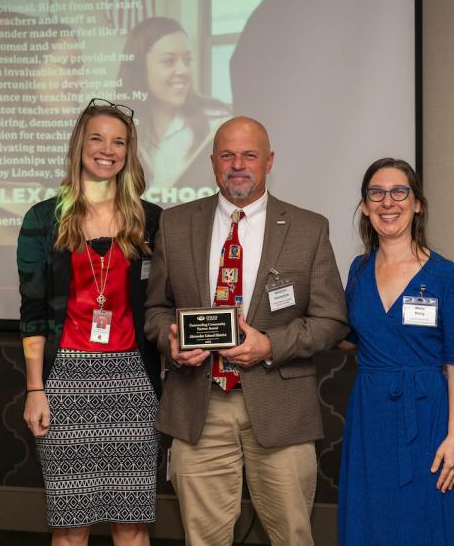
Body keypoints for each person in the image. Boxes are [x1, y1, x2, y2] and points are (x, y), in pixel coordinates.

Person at [144, 116, 349, 545]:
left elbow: (332, 320)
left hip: (279, 404)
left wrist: (270, 344)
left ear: (269, 161)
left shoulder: (308, 228)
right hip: (198, 403)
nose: (238, 164)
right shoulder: (176, 223)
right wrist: (171, 341)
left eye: (249, 155)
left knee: (292, 536)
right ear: (213, 162)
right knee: (203, 539)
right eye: (227, 155)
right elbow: (157, 310)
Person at [18, 98, 163, 546]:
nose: (108, 149)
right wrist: (35, 389)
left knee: (131, 524)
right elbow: (33, 315)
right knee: (70, 525)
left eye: (119, 141)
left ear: (129, 152)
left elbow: (166, 303)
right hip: (64, 382)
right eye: (97, 138)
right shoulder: (44, 219)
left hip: (133, 382)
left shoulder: (152, 220)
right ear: (80, 144)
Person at [338, 158, 454, 545]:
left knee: (427, 522)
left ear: (417, 204)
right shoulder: (358, 269)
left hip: (427, 418)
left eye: (399, 192)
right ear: (365, 206)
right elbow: (351, 336)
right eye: (376, 193)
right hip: (369, 417)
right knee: (371, 518)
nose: (388, 202)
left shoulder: (447, 276)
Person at [119, 17, 231, 203]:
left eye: (187, 60)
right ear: (139, 67)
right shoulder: (119, 123)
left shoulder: (216, 120)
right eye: (169, 61)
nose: (183, 70)